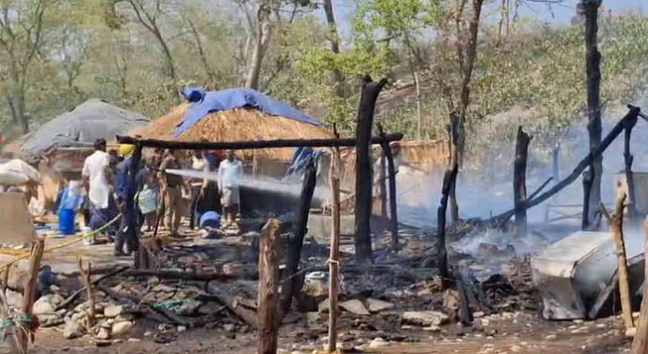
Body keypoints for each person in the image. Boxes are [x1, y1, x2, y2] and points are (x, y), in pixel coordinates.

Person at [82, 138, 117, 242]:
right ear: (103, 146)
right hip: (104, 187)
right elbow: (106, 170)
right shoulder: (105, 156)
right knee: (108, 211)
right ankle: (108, 235)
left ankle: (94, 237)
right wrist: (111, 183)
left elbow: (84, 176)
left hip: (93, 188)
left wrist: (88, 189)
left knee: (95, 212)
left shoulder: (88, 159)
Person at [113, 144, 139, 256]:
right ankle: (118, 247)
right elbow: (127, 183)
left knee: (131, 222)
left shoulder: (121, 165)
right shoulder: (129, 164)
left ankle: (132, 247)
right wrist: (124, 197)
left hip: (124, 196)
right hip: (126, 197)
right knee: (126, 223)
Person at [159, 149, 189, 237]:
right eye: (178, 151)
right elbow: (160, 174)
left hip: (177, 188)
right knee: (169, 210)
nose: (179, 152)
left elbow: (180, 176)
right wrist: (164, 185)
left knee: (179, 210)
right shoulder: (166, 162)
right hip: (169, 188)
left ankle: (175, 230)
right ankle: (169, 230)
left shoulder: (178, 162)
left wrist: (184, 186)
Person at [190, 148, 220, 230]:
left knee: (197, 206)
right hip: (193, 186)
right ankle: (191, 225)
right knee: (192, 206)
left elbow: (206, 176)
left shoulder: (205, 162)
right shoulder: (193, 160)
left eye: (197, 151)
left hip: (200, 186)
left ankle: (197, 223)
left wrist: (204, 187)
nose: (196, 152)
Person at [218, 150, 243, 227]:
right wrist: (220, 187)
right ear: (225, 154)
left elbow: (241, 175)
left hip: (235, 187)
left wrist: (239, 183)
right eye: (227, 152)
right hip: (225, 186)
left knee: (234, 204)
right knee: (225, 204)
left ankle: (233, 220)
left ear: (233, 153)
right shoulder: (222, 164)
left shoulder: (238, 164)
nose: (229, 154)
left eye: (230, 152)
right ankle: (225, 220)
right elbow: (220, 176)